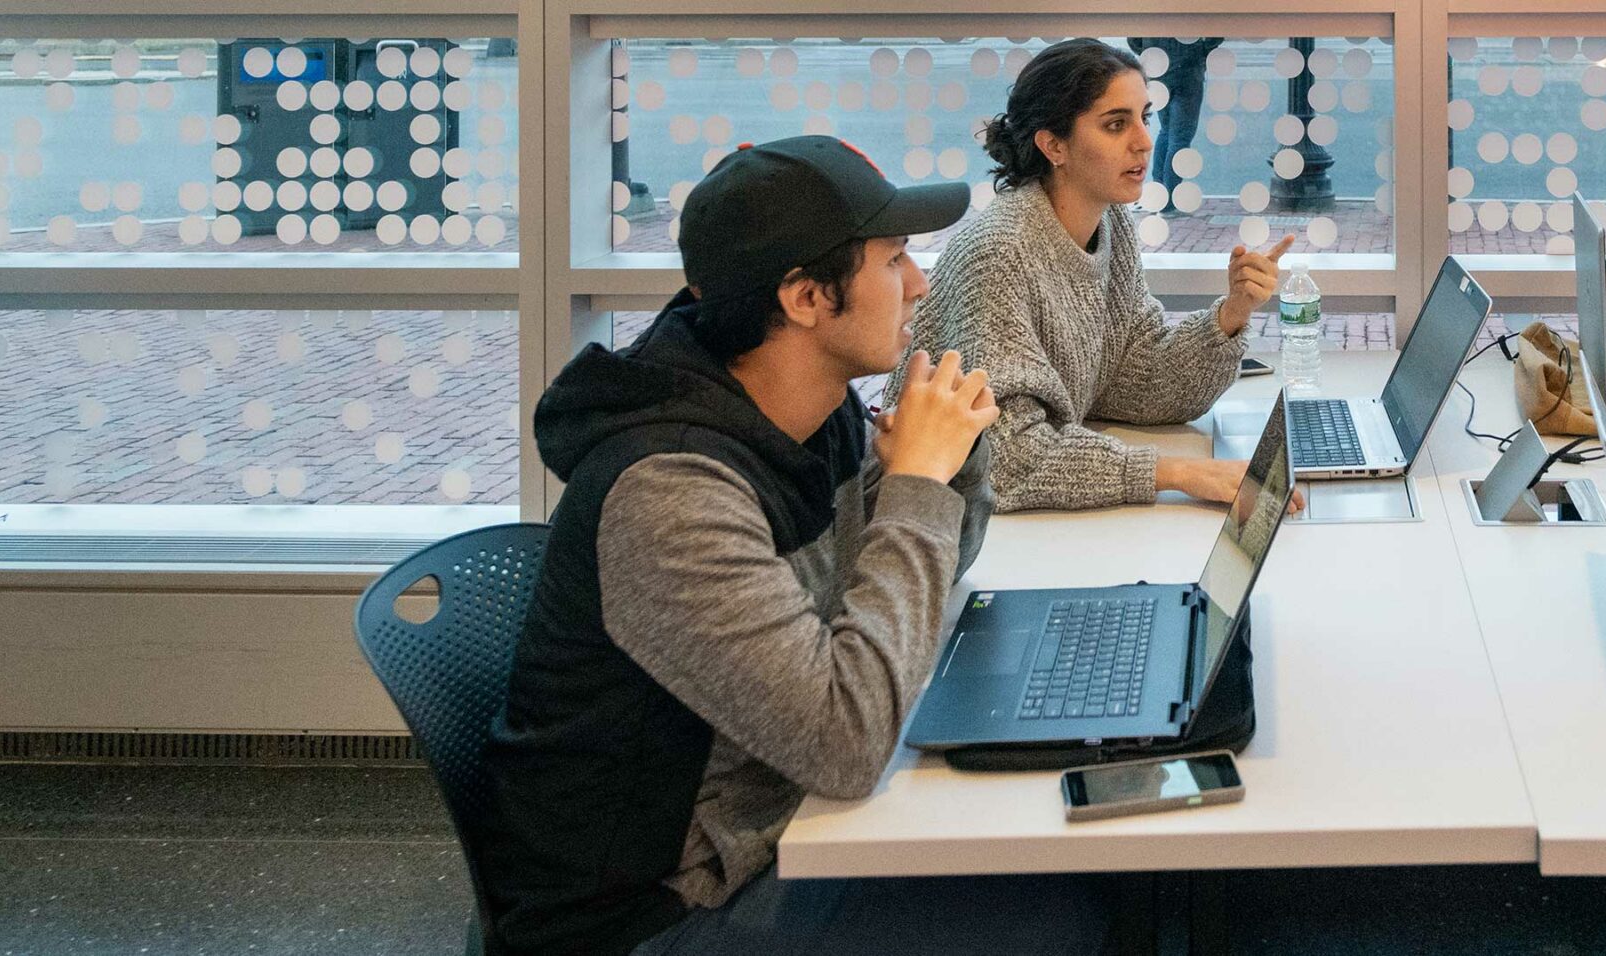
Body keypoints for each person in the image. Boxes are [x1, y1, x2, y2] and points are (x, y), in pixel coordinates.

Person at [477, 136, 1106, 955]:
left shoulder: (807, 407)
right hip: (665, 916)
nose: (920, 282)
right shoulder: (671, 494)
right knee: (1075, 914)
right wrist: (915, 482)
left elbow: (928, 571)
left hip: (783, 819)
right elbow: (844, 743)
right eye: (892, 261)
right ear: (807, 297)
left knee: (1077, 857)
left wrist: (954, 450)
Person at [903, 38, 1293, 513]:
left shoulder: (1109, 222)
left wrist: (1232, 313)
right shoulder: (999, 254)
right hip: (958, 526)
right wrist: (1182, 473)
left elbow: (1139, 381)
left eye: (1144, 118)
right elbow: (1003, 459)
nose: (1145, 141)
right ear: (1053, 145)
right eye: (1115, 124)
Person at [1126, 37, 1222, 196]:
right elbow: (1217, 32)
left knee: (1166, 131)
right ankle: (1169, 200)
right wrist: (1202, 51)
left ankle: (1159, 195)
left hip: (1158, 70)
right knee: (1180, 137)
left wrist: (1150, 53)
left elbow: (1134, 37)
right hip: (1188, 68)